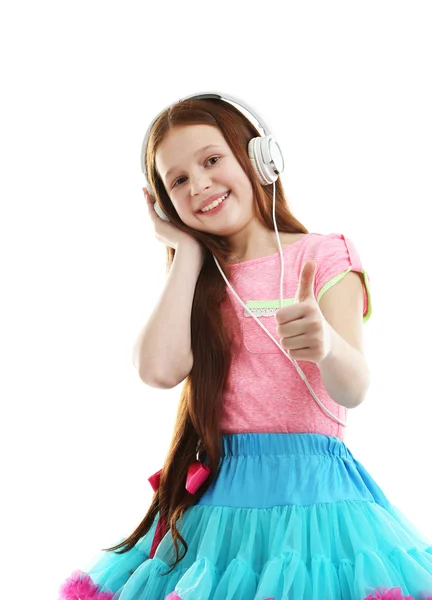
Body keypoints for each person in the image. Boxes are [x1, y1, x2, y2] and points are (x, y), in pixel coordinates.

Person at [58, 93, 432, 600]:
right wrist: (186, 252)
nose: (201, 185)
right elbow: (158, 370)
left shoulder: (323, 254)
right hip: (219, 509)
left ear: (258, 158)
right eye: (179, 181)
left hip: (316, 501)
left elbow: (352, 388)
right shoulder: (198, 280)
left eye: (212, 160)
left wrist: (325, 344)